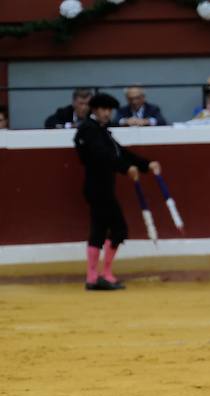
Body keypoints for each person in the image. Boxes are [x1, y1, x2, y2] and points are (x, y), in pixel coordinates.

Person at [73, 93, 161, 290]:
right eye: (104, 109)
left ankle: (95, 276)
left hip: (101, 188)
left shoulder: (99, 130)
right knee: (117, 229)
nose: (107, 113)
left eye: (109, 110)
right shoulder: (89, 130)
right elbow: (102, 156)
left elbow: (120, 152)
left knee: (101, 230)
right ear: (95, 110)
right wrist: (126, 168)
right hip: (98, 189)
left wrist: (146, 165)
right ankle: (101, 275)